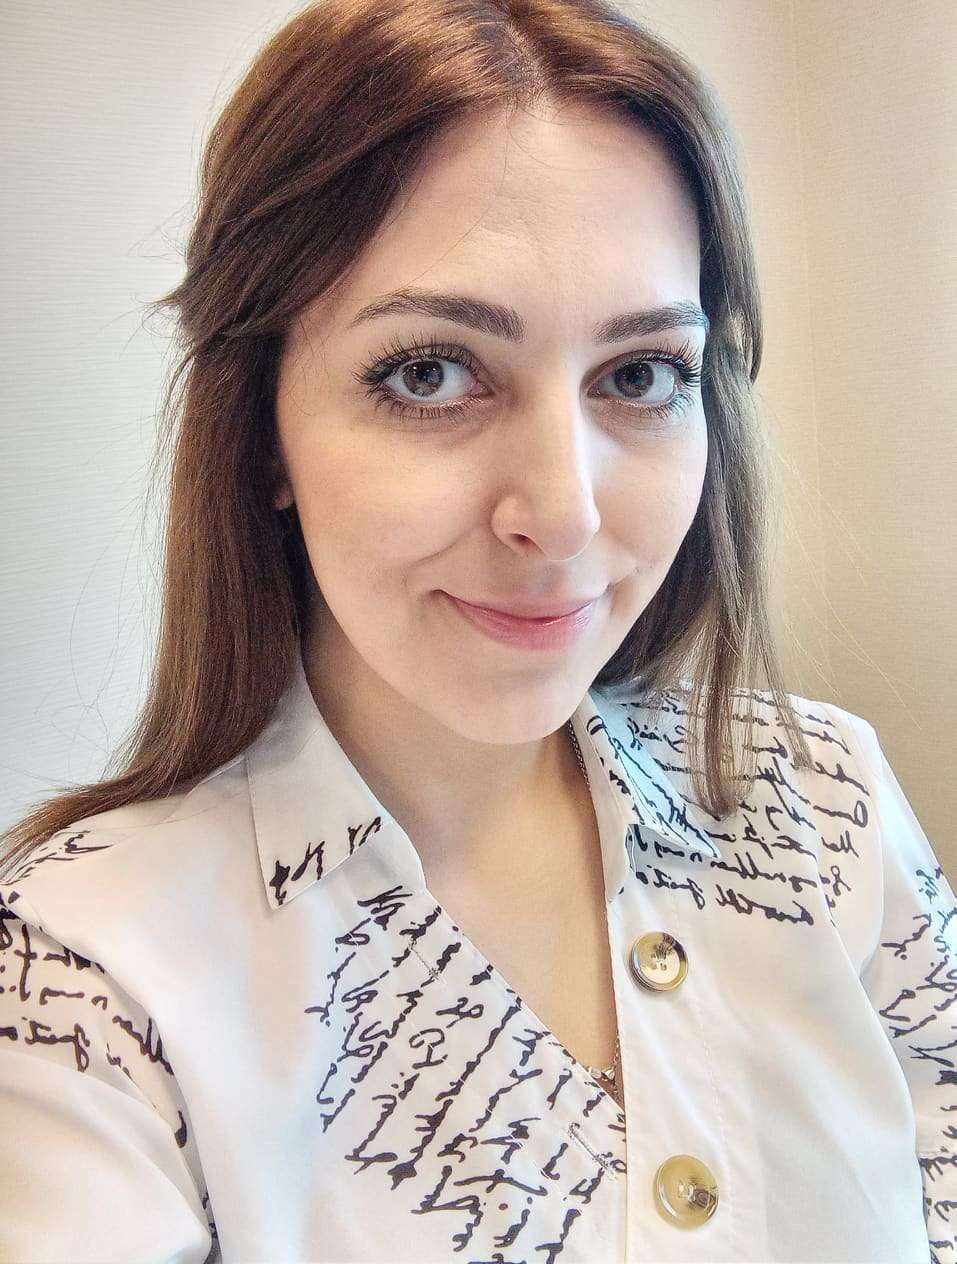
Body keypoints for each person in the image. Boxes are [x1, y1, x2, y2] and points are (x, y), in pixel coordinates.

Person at [0, 2, 951, 1261]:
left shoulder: (822, 801)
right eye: (431, 372)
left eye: (640, 374)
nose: (563, 513)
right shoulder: (83, 979)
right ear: (262, 428)